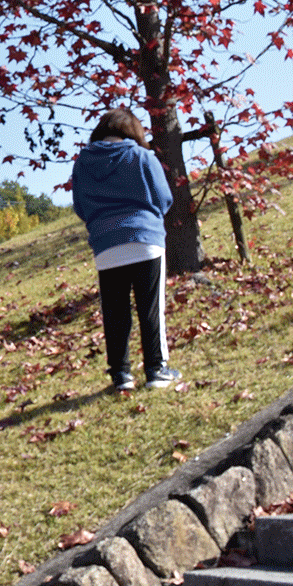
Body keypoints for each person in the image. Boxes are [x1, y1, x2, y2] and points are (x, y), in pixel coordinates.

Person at [71, 107, 180, 392]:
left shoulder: (82, 163)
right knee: (150, 308)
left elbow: (80, 206)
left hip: (106, 245)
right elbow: (163, 197)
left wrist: (100, 224)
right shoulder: (143, 157)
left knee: (115, 311)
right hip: (145, 238)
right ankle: (157, 369)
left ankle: (121, 375)